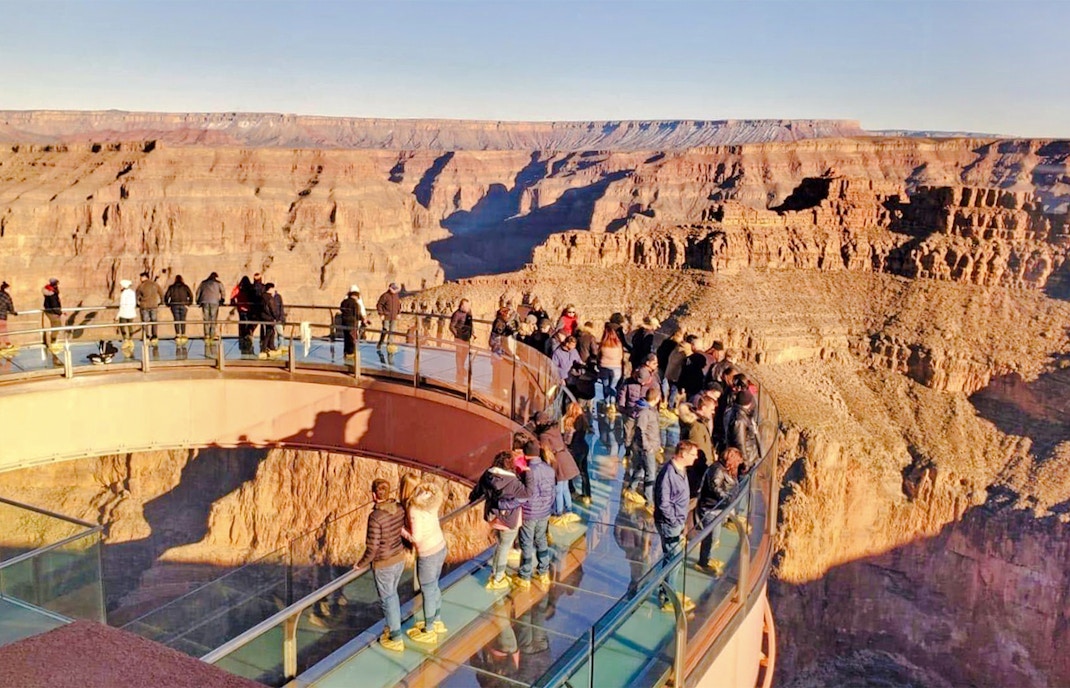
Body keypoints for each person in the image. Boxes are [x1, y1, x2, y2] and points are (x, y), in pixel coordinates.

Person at [355, 478, 407, 652]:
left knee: (388, 598)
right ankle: (394, 627)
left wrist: (361, 564)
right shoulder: (399, 508)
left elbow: (373, 547)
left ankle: (396, 636)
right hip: (399, 557)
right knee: (393, 594)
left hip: (384, 563)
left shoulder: (375, 517)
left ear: (373, 495)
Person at [469, 450, 529, 590]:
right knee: (504, 547)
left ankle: (496, 571)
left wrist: (472, 498)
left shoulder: (489, 475)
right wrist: (527, 473)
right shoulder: (513, 481)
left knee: (500, 544)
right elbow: (527, 493)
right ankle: (498, 576)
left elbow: (478, 490)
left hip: (494, 516)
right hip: (509, 519)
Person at [653, 441, 699, 612]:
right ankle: (667, 597)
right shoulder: (668, 474)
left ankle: (666, 591)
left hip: (677, 522)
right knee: (675, 559)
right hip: (670, 524)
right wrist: (674, 522)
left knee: (672, 558)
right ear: (683, 454)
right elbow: (663, 503)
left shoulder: (681, 470)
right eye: (693, 454)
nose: (695, 458)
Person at [404, 482, 449, 644]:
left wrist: (401, 530)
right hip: (441, 547)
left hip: (428, 554)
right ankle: (436, 620)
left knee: (428, 590)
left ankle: (429, 629)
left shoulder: (414, 509)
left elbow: (416, 538)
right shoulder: (431, 501)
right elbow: (437, 491)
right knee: (434, 586)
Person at [514, 440, 555, 590]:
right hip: (544, 511)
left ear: (526, 454)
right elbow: (553, 491)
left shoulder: (527, 471)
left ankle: (525, 575)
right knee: (541, 539)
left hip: (529, 512)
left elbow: (524, 493)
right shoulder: (549, 469)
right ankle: (543, 572)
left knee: (526, 543)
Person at [695, 447, 743, 574]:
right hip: (711, 508)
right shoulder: (716, 469)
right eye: (737, 460)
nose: (739, 463)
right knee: (711, 537)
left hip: (720, 508)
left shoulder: (729, 470)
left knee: (713, 537)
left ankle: (707, 558)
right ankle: (703, 563)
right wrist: (728, 500)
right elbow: (716, 488)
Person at [535, 411, 580, 525]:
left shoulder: (543, 435)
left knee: (558, 490)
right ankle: (569, 510)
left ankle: (558, 513)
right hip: (566, 458)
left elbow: (546, 452)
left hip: (558, 462)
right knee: (565, 488)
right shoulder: (554, 429)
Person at [624, 387, 661, 510]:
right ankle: (649, 500)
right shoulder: (645, 413)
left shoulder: (649, 410)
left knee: (640, 468)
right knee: (650, 474)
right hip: (646, 448)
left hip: (648, 445)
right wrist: (648, 447)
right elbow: (641, 430)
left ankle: (631, 487)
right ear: (656, 398)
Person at [678, 398, 715, 496]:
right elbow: (696, 451)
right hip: (697, 472)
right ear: (703, 408)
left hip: (699, 470)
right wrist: (705, 470)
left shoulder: (701, 423)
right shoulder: (696, 427)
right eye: (711, 409)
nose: (713, 412)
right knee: (692, 498)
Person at [617, 367, 651, 458]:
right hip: (629, 413)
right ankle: (628, 450)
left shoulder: (652, 384)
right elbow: (622, 395)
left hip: (643, 416)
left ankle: (638, 451)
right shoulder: (628, 382)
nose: (642, 383)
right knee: (628, 434)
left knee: (642, 434)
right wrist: (622, 407)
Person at [561, 402, 591, 506]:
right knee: (584, 472)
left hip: (574, 450)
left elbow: (568, 440)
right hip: (584, 447)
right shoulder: (583, 420)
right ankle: (587, 495)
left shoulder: (569, 421)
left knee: (569, 472)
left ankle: (572, 491)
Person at [725, 389, 762, 467]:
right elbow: (740, 443)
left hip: (750, 456)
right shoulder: (739, 420)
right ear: (748, 402)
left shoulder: (740, 413)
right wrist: (745, 463)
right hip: (748, 458)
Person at [598, 324, 624, 404]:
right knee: (613, 386)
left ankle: (607, 403)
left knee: (605, 386)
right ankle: (613, 403)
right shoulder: (618, 345)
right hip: (616, 368)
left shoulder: (603, 345)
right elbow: (621, 356)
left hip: (604, 367)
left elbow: (598, 356)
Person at [195, 272, 226, 341]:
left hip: (204, 302)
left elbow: (198, 292)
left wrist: (197, 301)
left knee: (206, 319)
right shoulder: (218, 283)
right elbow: (223, 292)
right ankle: (212, 334)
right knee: (213, 319)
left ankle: (206, 335)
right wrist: (222, 300)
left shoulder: (203, 283)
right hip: (215, 302)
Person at [449, 298, 474, 384]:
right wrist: (457, 335)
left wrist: (472, 333)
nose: (468, 307)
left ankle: (461, 368)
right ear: (462, 306)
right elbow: (451, 326)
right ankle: (459, 371)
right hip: (459, 338)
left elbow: (470, 324)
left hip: (466, 337)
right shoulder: (457, 314)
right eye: (466, 306)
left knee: (465, 353)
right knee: (459, 354)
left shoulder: (468, 313)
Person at [135, 272, 164, 343]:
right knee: (154, 321)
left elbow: (136, 295)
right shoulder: (155, 284)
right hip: (154, 305)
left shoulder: (141, 286)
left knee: (145, 322)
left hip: (144, 306)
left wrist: (137, 304)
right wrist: (162, 302)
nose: (140, 279)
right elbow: (161, 293)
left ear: (145, 277)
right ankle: (154, 336)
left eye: (141, 277)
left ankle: (146, 336)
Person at [165, 275, 194, 341]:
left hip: (174, 305)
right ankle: (183, 334)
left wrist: (168, 304)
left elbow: (166, 296)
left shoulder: (171, 287)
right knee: (183, 320)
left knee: (176, 320)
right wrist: (189, 304)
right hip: (184, 305)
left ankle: (178, 334)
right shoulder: (185, 287)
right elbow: (191, 295)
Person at [339, 286, 365, 359]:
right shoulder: (355, 304)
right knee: (352, 338)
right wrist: (363, 319)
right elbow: (357, 314)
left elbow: (341, 309)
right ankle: (351, 353)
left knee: (346, 337)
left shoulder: (344, 302)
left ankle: (346, 352)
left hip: (344, 322)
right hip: (352, 323)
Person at [376, 282, 402, 350]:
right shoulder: (385, 296)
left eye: (395, 289)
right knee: (385, 330)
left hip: (394, 317)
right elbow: (379, 305)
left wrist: (399, 313)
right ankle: (380, 343)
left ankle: (389, 344)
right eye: (393, 289)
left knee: (392, 331)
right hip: (386, 316)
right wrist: (381, 314)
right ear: (390, 288)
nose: (395, 290)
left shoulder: (396, 296)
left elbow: (398, 305)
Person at [258, 283, 282, 355]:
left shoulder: (262, 296)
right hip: (269, 317)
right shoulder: (270, 298)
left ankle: (270, 346)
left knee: (271, 331)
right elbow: (273, 309)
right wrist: (276, 317)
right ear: (270, 289)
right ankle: (264, 348)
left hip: (263, 316)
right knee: (269, 332)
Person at [41, 278, 62, 347]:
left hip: (49, 310)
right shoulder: (52, 293)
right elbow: (54, 305)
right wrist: (59, 313)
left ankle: (53, 340)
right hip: (52, 312)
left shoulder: (49, 291)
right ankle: (53, 340)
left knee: (54, 325)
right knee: (57, 325)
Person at [116, 279, 136, 344]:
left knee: (122, 326)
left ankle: (125, 339)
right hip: (131, 312)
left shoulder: (123, 293)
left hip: (124, 313)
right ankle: (130, 339)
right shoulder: (132, 292)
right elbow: (134, 303)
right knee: (130, 326)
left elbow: (122, 305)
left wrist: (117, 316)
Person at [0, 281, 17, 350]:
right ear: (6, 289)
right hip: (2, 316)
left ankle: (6, 344)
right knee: (3, 330)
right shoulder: (6, 297)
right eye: (9, 289)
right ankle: (8, 344)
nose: (10, 290)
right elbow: (10, 306)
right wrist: (14, 312)